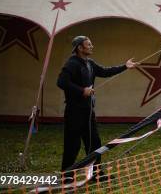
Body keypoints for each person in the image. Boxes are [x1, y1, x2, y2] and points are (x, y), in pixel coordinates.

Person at [57, 35, 136, 176]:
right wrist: (82, 90)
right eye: (88, 44)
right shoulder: (72, 63)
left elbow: (105, 71)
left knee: (94, 143)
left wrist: (125, 66)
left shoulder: (89, 63)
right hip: (74, 112)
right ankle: (66, 177)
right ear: (79, 48)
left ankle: (96, 173)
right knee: (72, 146)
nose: (92, 46)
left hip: (88, 111)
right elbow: (62, 82)